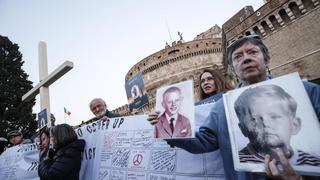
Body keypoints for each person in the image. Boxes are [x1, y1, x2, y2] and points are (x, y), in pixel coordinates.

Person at [148, 35, 320, 179]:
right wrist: (168, 126)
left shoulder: (308, 93)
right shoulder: (221, 107)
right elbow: (203, 142)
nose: (246, 58)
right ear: (233, 69)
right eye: (238, 57)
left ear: (266, 60)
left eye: (252, 52)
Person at [235, 84, 320, 166]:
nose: (265, 123)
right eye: (254, 119)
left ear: (295, 125)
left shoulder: (314, 162)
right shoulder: (238, 162)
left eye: (274, 117)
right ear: (243, 129)